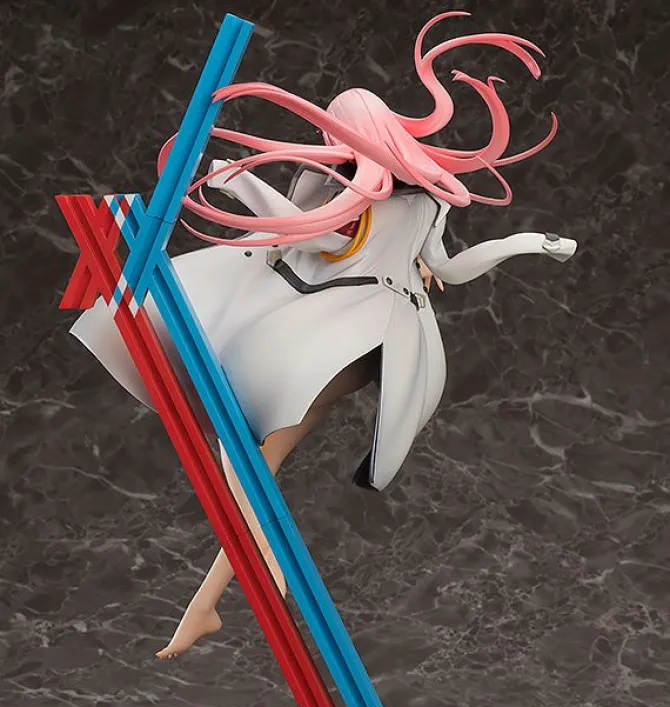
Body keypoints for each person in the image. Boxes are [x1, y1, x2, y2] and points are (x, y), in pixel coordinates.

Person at [69, 10, 577, 659]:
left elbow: (322, 240)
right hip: (363, 334)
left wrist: (241, 181)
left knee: (246, 449)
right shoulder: (414, 195)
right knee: (250, 452)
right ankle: (210, 601)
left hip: (347, 332)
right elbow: (442, 267)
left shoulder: (366, 192)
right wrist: (524, 243)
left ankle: (261, 564)